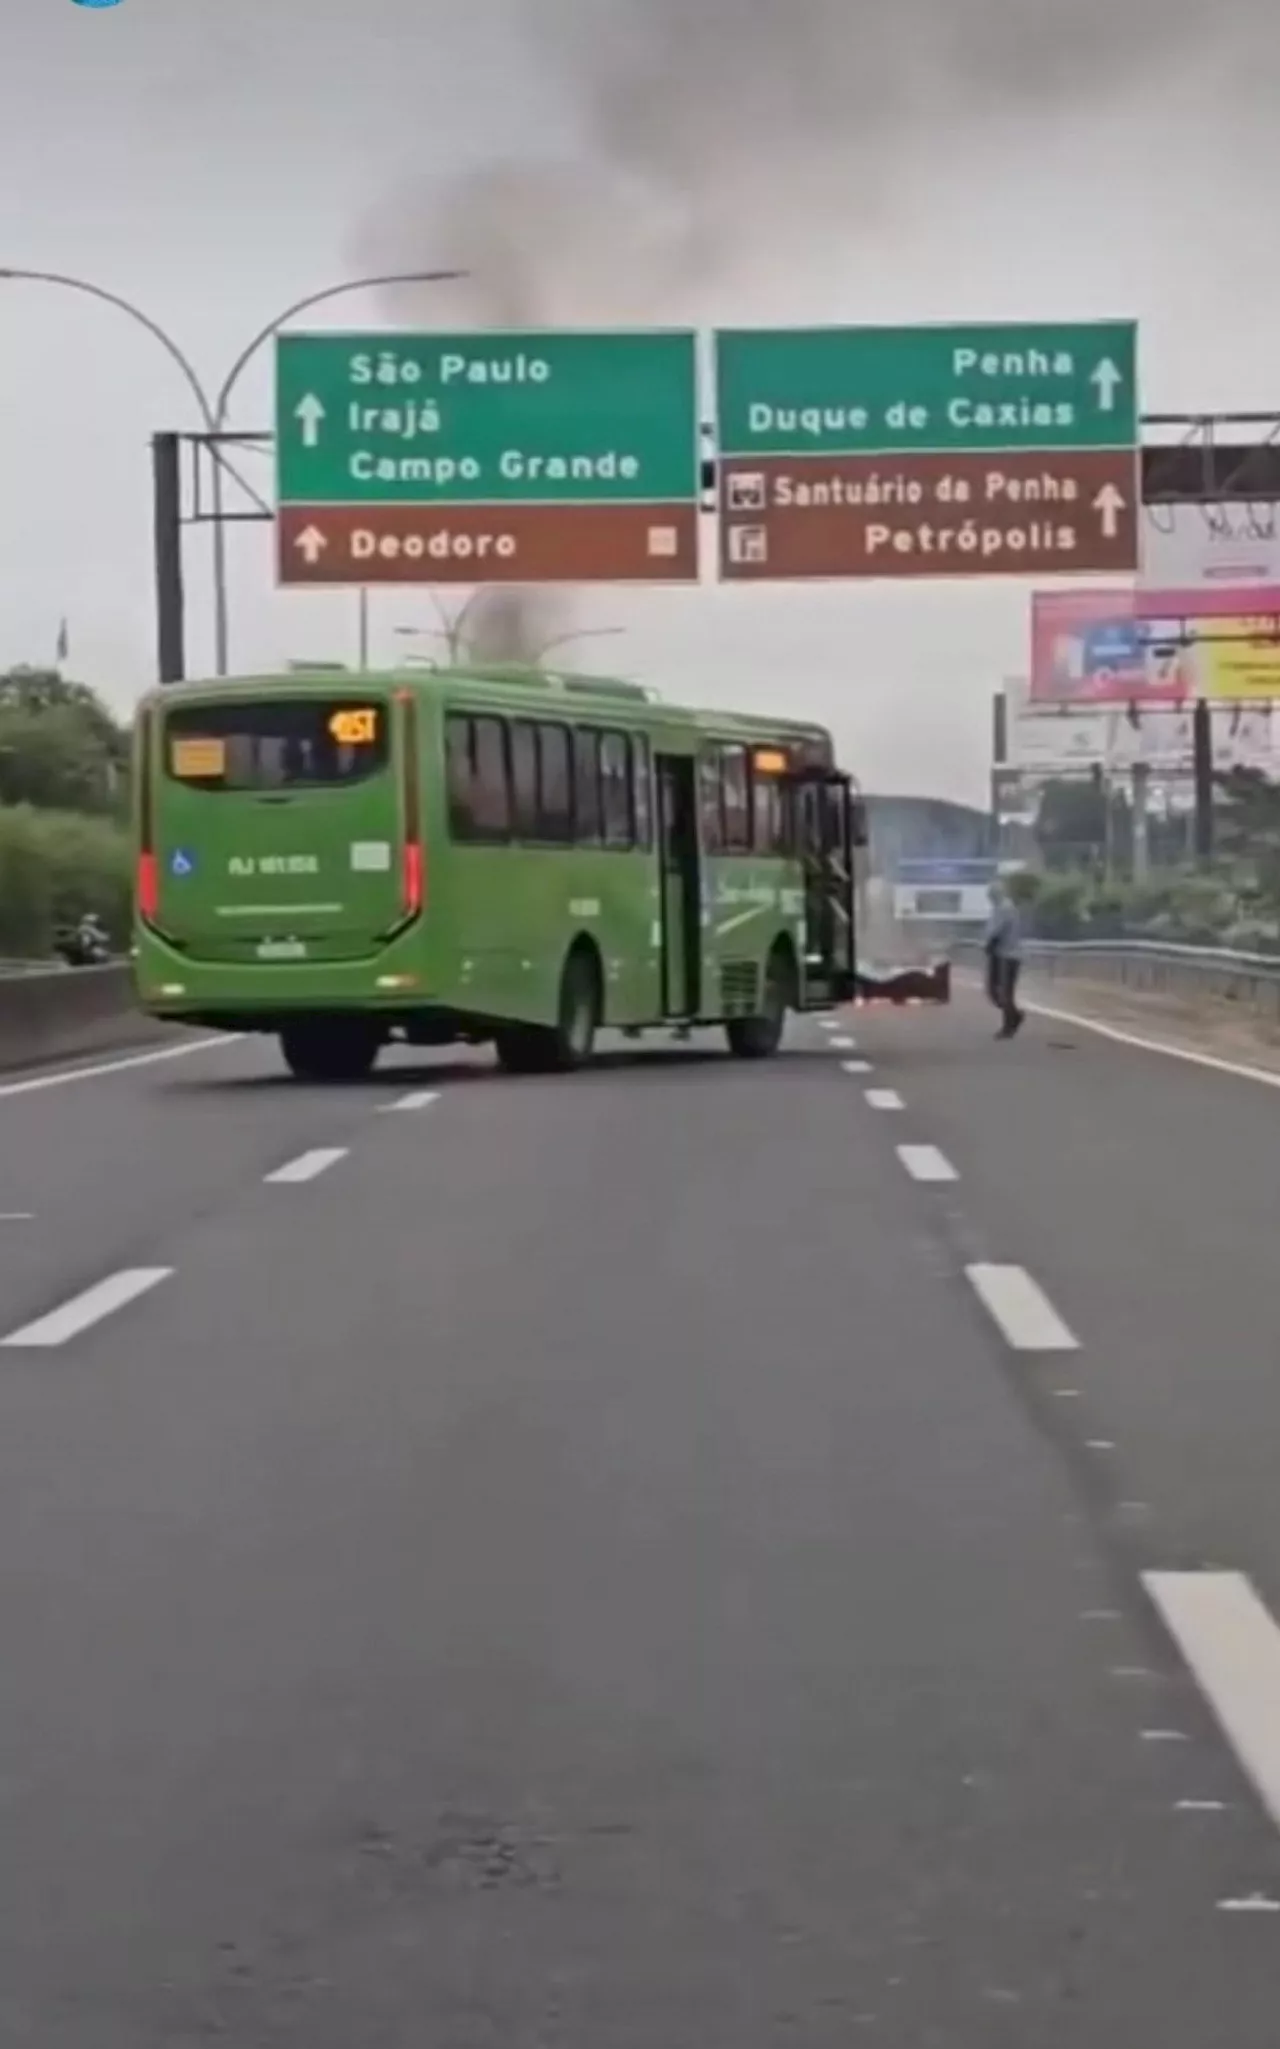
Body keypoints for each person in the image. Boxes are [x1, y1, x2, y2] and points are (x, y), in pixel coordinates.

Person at [983, 879, 1024, 1040]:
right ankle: (1014, 1016)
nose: (990, 897)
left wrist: (989, 945)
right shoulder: (998, 908)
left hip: (1008, 955)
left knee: (1005, 993)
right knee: (994, 992)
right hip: (1000, 955)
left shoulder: (1005, 908)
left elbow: (997, 931)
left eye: (991, 894)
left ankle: (1009, 1025)